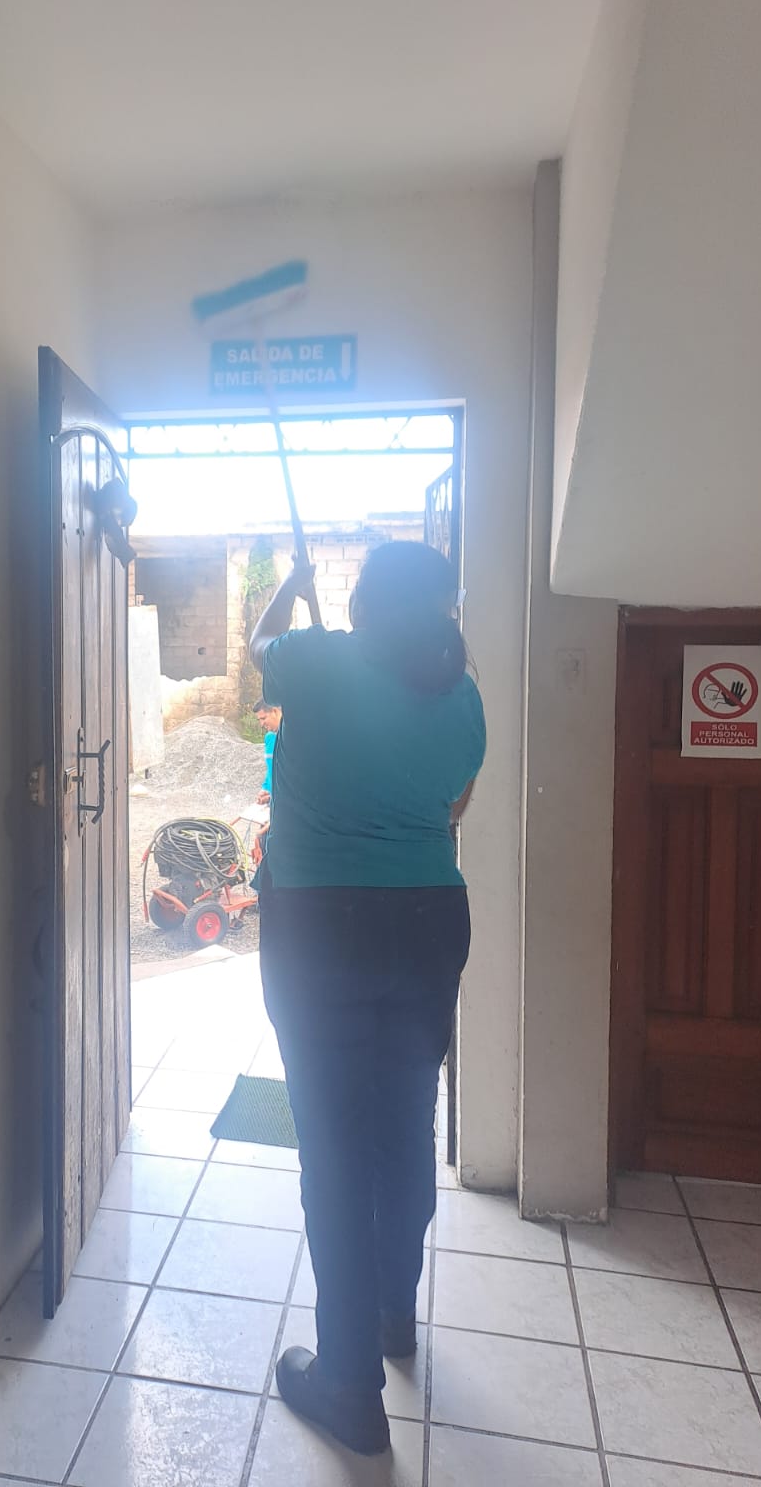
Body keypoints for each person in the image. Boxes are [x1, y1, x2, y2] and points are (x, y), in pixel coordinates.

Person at [249, 539, 485, 1457]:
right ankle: (392, 1312)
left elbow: (258, 649)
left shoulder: (315, 660)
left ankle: (349, 1384)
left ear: (360, 603)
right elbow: (453, 807)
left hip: (321, 926)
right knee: (402, 1126)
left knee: (336, 1146)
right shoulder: (462, 696)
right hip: (426, 922)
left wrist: (287, 590)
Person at [253, 699, 281, 805]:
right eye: (259, 720)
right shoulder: (269, 738)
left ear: (275, 711)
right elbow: (271, 768)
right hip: (274, 803)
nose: (261, 724)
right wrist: (265, 789)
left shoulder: (294, 739)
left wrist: (273, 797)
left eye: (263, 718)